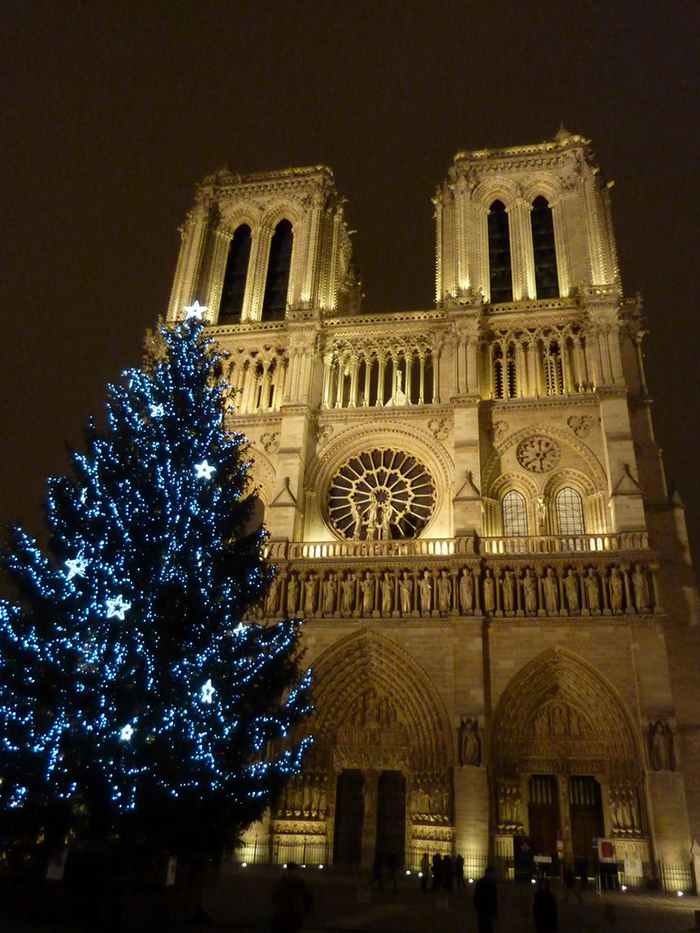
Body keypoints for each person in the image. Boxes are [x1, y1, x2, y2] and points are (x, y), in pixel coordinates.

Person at [270, 862, 313, 933]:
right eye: (288, 871)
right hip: (282, 914)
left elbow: (308, 898)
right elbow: (275, 896)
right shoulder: (281, 883)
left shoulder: (301, 884)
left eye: (292, 871)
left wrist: (306, 912)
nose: (289, 873)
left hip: (295, 915)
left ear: (295, 872)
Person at [473, 866, 498, 933]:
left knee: (484, 927)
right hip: (485, 908)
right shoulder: (491, 883)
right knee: (486, 927)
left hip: (485, 909)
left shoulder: (482, 882)